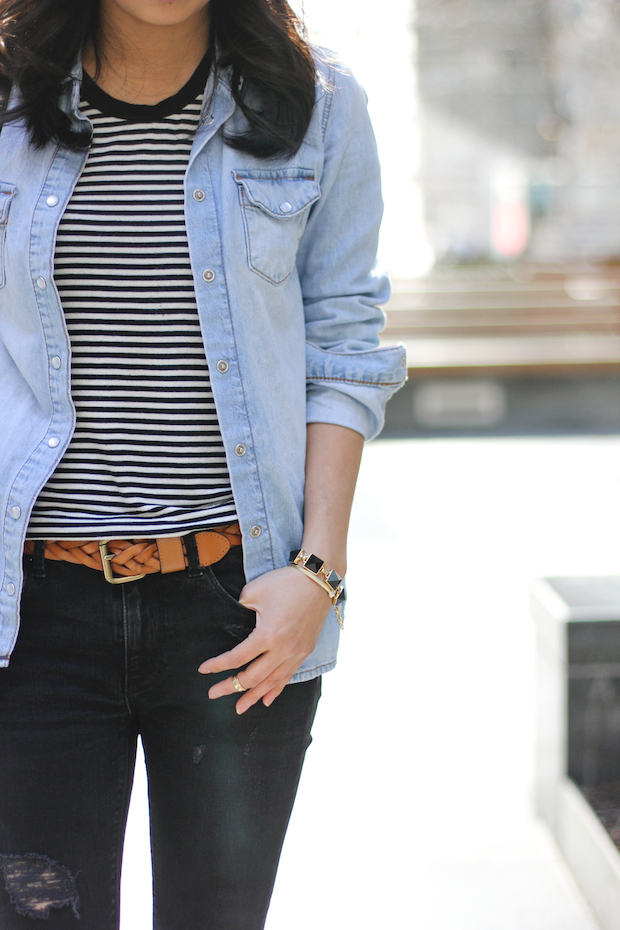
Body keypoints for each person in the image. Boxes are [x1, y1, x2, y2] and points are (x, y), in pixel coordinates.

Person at [0, 0, 406, 926]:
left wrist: (318, 570)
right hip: (34, 616)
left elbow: (344, 343)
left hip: (235, 606)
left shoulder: (321, 103)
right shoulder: (8, 94)